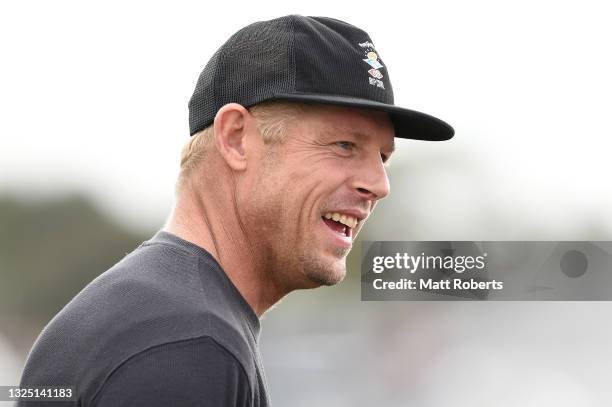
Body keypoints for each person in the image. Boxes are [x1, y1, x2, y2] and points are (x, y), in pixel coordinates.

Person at [17, 15, 453, 406]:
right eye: (344, 145)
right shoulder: (186, 344)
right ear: (236, 138)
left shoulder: (157, 313)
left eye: (383, 157)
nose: (378, 185)